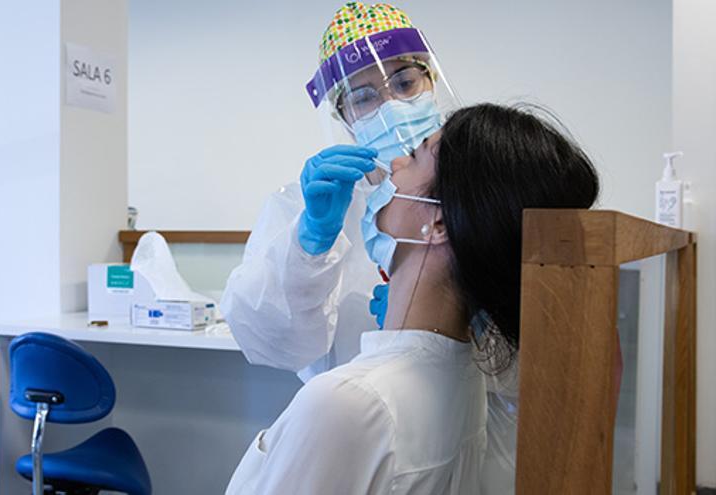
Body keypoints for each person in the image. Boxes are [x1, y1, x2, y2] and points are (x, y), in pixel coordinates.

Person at [225, 103, 600, 494]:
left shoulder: (347, 403)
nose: (396, 164)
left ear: (436, 223)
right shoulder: (465, 375)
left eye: (416, 156)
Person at [220, 2, 517, 492]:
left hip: (456, 422)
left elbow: (526, 356)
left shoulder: (472, 184)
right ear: (343, 114)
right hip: (353, 427)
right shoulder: (307, 202)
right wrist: (309, 243)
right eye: (363, 97)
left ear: (430, 80)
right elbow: (267, 340)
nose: (392, 106)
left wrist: (477, 323)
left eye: (405, 83)